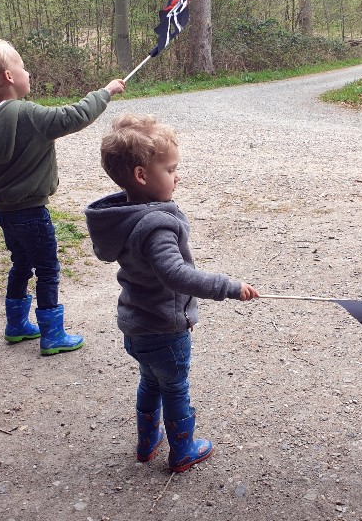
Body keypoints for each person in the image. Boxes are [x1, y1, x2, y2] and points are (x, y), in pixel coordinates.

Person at [84, 114, 259, 472]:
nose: (178, 176)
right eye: (171, 169)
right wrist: (228, 287)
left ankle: (147, 442)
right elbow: (177, 275)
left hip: (135, 326)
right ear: (142, 176)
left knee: (150, 381)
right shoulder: (155, 226)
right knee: (176, 388)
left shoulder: (125, 216)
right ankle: (183, 450)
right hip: (164, 331)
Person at [0, 39, 125, 355]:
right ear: (10, 77)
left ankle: (16, 325)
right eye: (22, 67)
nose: (27, 72)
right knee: (48, 269)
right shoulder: (26, 113)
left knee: (21, 262)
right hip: (32, 211)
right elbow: (72, 117)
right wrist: (105, 92)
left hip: (5, 211)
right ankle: (52, 334)